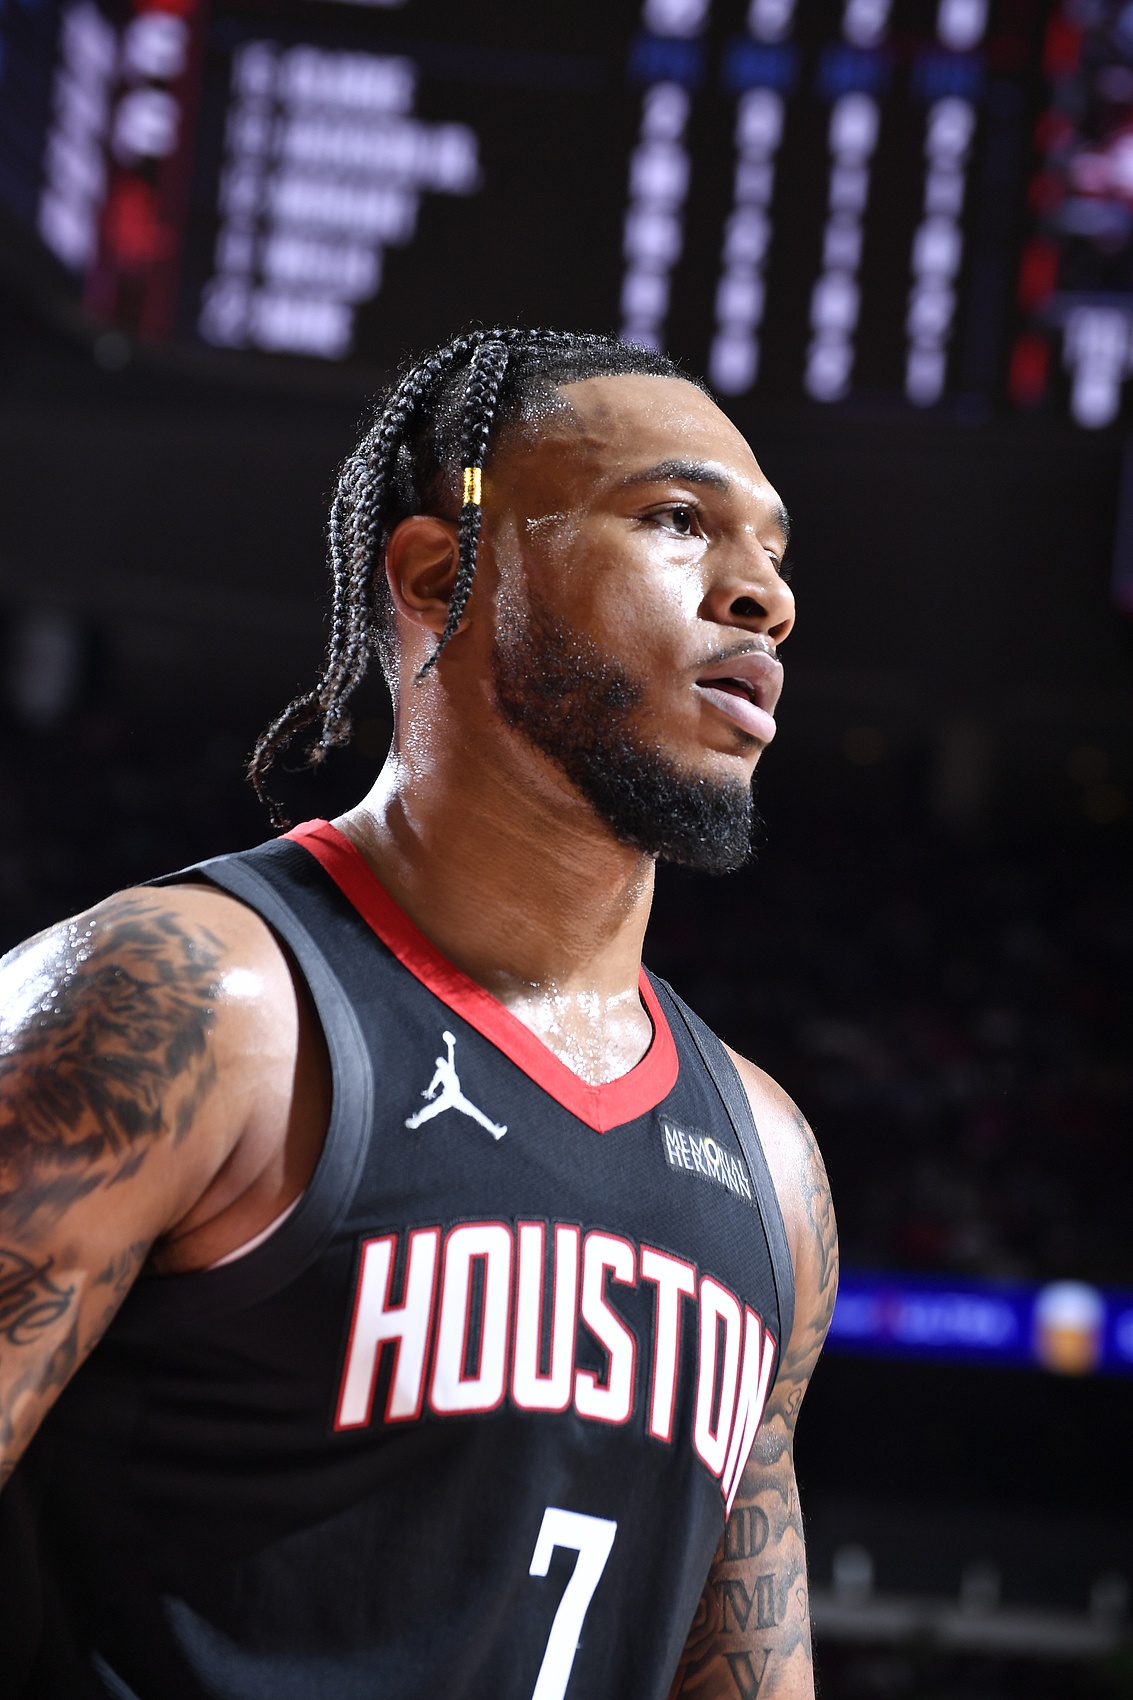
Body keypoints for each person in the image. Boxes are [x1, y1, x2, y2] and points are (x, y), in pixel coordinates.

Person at [0, 327, 838, 1699]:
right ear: (443, 574)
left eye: (775, 549)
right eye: (677, 521)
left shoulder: (770, 1165)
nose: (765, 597)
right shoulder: (188, 1003)